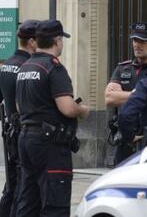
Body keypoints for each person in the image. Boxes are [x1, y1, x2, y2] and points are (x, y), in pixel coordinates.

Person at [15, 20, 89, 217]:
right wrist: (82, 110)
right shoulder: (53, 68)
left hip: (27, 139)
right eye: (61, 40)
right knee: (55, 204)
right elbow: (66, 107)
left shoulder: (26, 66)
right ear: (57, 40)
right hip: (50, 144)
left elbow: (18, 106)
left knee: (29, 201)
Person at [105, 22, 147, 165]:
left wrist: (125, 95)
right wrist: (142, 96)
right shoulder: (123, 68)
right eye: (135, 40)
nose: (137, 45)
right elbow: (109, 98)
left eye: (142, 41)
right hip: (125, 141)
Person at [0, 20, 38, 217]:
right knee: (22, 187)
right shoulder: (27, 66)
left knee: (12, 184)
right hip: (23, 131)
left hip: (10, 130)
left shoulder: (7, 64)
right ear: (31, 42)